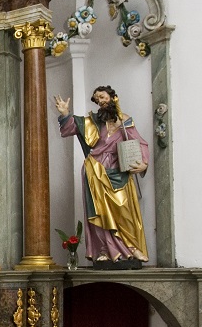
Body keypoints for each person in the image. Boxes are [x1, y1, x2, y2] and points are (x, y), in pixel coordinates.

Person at [54, 86, 149, 264]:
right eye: (97, 99)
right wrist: (66, 114)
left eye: (103, 97)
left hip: (119, 170)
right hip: (95, 170)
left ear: (113, 97)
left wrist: (143, 163)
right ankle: (104, 250)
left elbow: (140, 142)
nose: (100, 101)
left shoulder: (125, 120)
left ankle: (132, 248)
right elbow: (72, 126)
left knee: (124, 210)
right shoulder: (94, 121)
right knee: (100, 212)